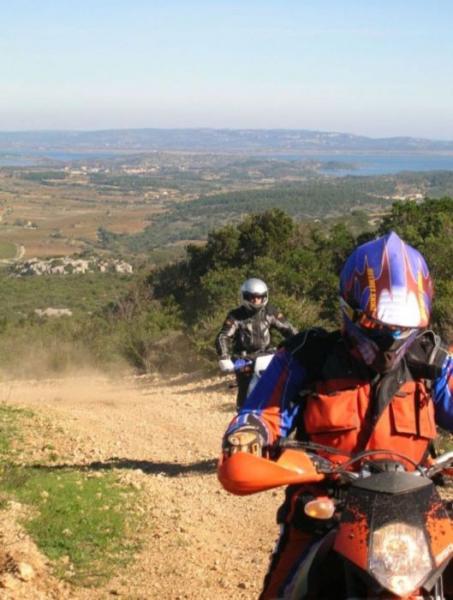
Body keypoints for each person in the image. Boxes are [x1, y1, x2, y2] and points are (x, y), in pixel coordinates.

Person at [221, 232, 453, 599]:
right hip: (328, 508)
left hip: (417, 508)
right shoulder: (309, 357)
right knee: (283, 591)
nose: (391, 336)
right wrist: (247, 436)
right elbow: (261, 414)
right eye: (378, 325)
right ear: (349, 310)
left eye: (402, 328)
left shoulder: (433, 363)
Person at [215, 277, 297, 410]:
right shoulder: (236, 315)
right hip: (244, 359)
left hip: (267, 355)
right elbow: (223, 336)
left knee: (285, 382)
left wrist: (299, 343)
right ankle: (242, 414)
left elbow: (289, 330)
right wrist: (224, 357)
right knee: (245, 389)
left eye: (259, 297)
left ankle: (283, 412)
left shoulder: (270, 312)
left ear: (265, 296)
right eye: (252, 297)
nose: (256, 300)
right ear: (245, 297)